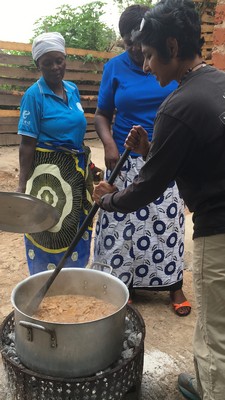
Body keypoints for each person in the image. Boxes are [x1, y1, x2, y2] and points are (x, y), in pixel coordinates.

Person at [93, 0, 225, 399]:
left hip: (217, 229)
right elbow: (195, 157)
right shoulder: (217, 82)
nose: (146, 67)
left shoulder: (177, 105)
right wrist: (151, 147)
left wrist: (108, 200)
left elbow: (148, 189)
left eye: (149, 55)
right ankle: (204, 384)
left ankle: (211, 389)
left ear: (171, 46)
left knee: (214, 332)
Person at [93, 4, 191, 316]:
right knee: (122, 222)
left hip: (163, 155)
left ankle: (173, 284)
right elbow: (101, 114)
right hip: (123, 158)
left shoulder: (167, 64)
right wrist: (109, 145)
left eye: (139, 41)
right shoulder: (115, 68)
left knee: (167, 222)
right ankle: (124, 284)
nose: (135, 49)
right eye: (127, 42)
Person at [17, 32, 93, 275]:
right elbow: (26, 144)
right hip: (47, 176)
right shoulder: (34, 95)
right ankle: (44, 286)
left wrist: (87, 164)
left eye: (59, 60)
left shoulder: (72, 90)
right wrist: (21, 186)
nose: (54, 67)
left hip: (75, 173)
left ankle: (73, 282)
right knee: (48, 227)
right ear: (38, 64)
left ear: (65, 58)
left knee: (75, 228)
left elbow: (78, 130)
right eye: (47, 62)